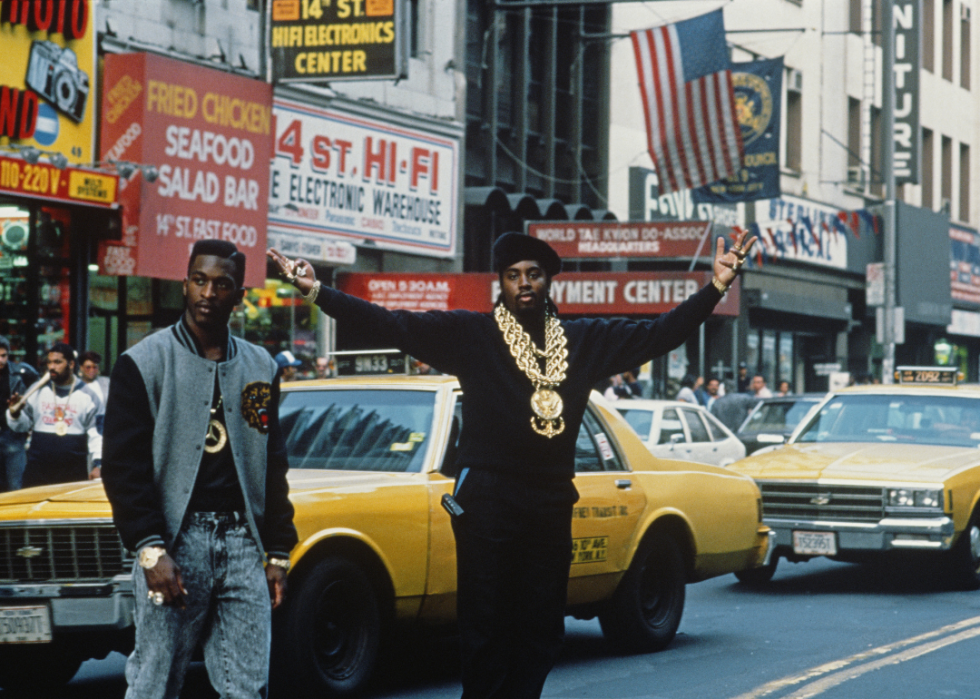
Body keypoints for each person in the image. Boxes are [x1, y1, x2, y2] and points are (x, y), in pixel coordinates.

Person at [268, 226, 755, 699]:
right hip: (487, 506)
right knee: (487, 632)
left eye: (534, 274)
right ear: (500, 284)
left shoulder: (583, 339)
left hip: (549, 505)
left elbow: (658, 333)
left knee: (541, 632)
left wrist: (715, 286)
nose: (524, 283)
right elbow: (392, 323)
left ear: (548, 282)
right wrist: (316, 292)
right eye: (513, 275)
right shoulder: (472, 335)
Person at [101, 240, 298, 699]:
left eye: (222, 284)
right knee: (156, 680)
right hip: (175, 540)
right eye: (200, 280)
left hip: (242, 541)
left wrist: (277, 552)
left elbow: (273, 463)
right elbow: (122, 466)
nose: (209, 292)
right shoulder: (143, 362)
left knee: (248, 686)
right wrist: (150, 549)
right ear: (185, 284)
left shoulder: (259, 365)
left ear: (239, 295)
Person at [6, 343, 102, 487]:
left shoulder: (88, 395)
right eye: (49, 362)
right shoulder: (37, 391)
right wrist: (15, 413)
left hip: (73, 471)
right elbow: (21, 427)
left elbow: (98, 434)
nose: (51, 367)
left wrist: (98, 464)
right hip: (38, 469)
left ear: (71, 364)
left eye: (57, 362)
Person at [0, 336, 28, 491]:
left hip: (12, 434)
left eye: (3, 356)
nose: (1, 360)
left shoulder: (18, 373)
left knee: (15, 486)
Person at [79, 351, 110, 478]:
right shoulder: (76, 385)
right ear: (81, 368)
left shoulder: (106, 383)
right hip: (85, 429)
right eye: (88, 367)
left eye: (95, 367)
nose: (92, 370)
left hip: (105, 428)